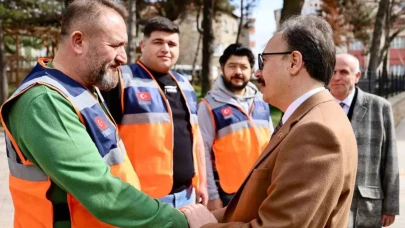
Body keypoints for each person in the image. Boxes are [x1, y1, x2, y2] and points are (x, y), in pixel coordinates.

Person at [0, 1, 196, 227]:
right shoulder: (45, 101)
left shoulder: (85, 89)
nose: (123, 57)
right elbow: (104, 193)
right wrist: (183, 222)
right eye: (115, 45)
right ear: (78, 41)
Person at [182, 15, 358, 228]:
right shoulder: (310, 116)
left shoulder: (314, 130)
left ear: (294, 62)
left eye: (264, 60)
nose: (257, 72)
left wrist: (204, 225)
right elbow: (263, 203)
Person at [101, 16, 208, 209]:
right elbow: (102, 142)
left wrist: (202, 182)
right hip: (142, 198)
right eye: (158, 42)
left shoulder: (185, 85)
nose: (166, 48)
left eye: (172, 44)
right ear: (143, 45)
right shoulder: (121, 80)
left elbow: (196, 137)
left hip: (187, 196)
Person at [198, 43, 273, 210]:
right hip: (228, 193)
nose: (238, 71)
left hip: (263, 189)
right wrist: (212, 195)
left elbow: (273, 145)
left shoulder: (262, 100)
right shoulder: (209, 106)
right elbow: (202, 152)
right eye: (232, 66)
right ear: (222, 68)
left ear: (251, 70)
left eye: (243, 67)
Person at [328, 53, 399, 228]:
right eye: (333, 71)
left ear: (357, 76)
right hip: (327, 204)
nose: (337, 77)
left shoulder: (380, 107)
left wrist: (390, 206)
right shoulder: (316, 107)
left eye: (344, 72)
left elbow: (390, 158)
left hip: (365, 205)